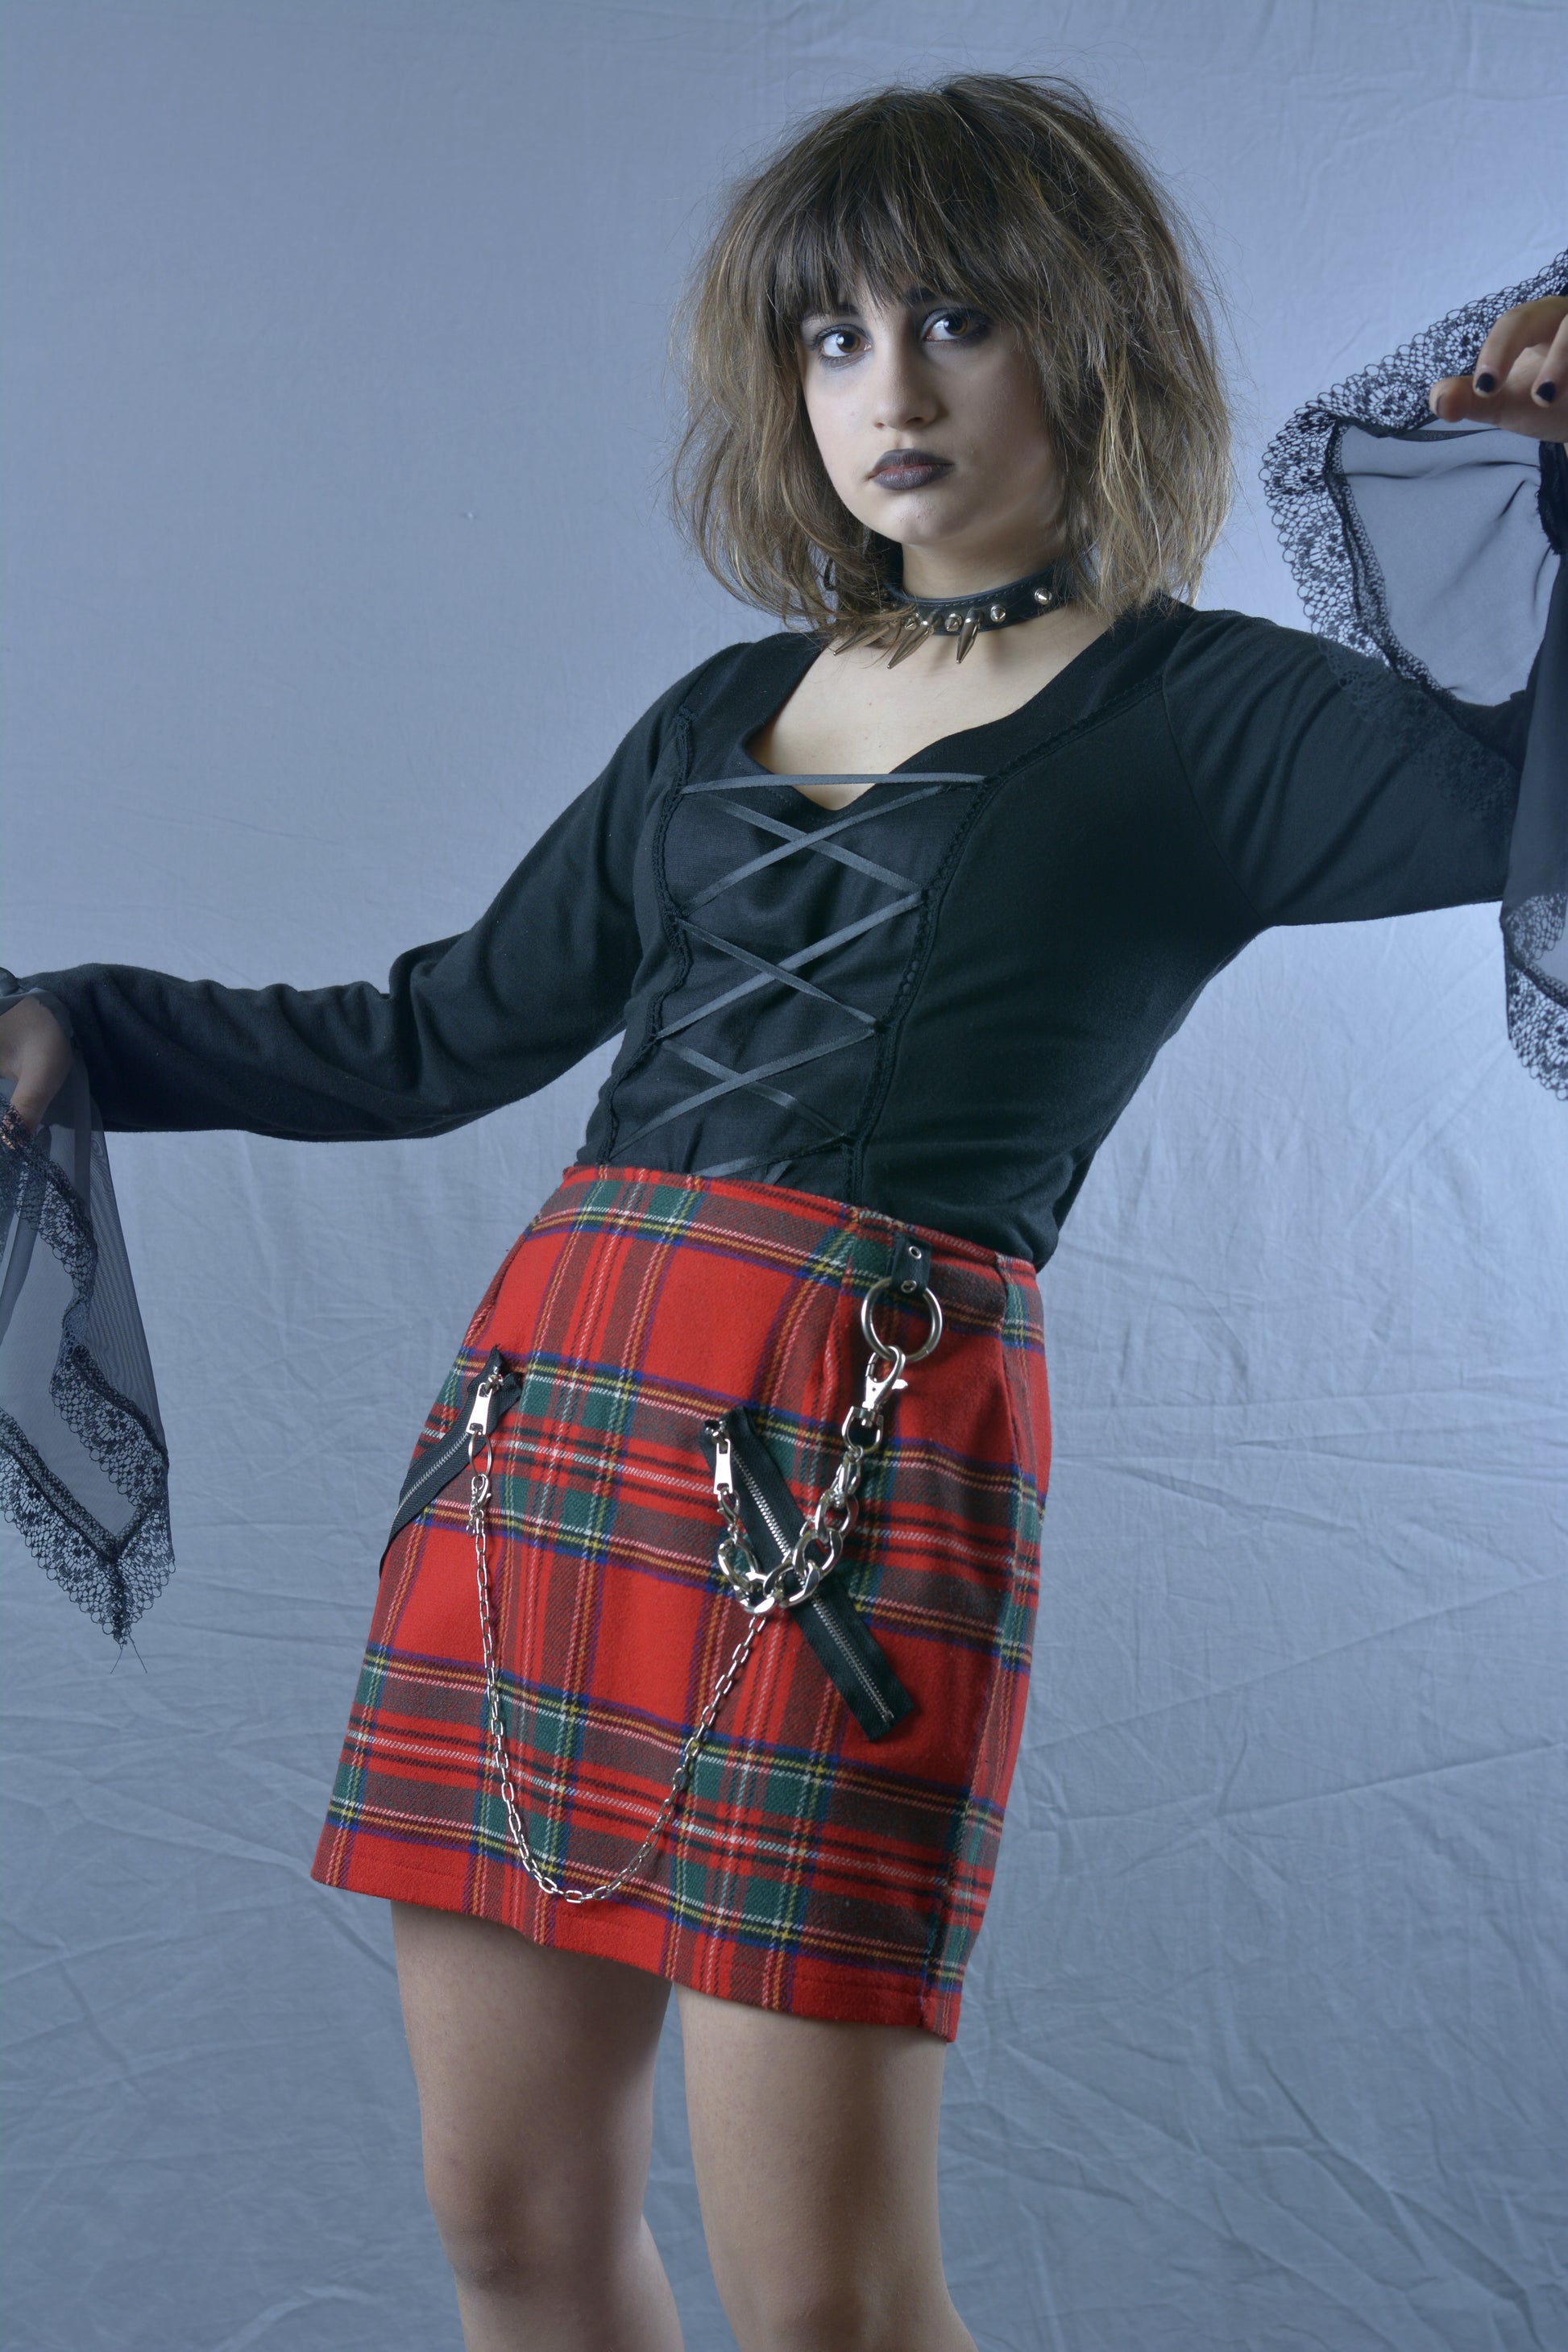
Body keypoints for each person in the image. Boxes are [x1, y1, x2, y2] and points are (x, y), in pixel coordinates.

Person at [2, 71, 1563, 2352]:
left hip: (854, 1475)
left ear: (1090, 339)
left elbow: (1531, 801)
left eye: (955, 320)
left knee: (825, 2300)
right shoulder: (722, 706)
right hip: (538, 1451)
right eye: (834, 337)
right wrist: (72, 1024)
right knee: (505, 2226)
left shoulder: (1217, 716)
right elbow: (429, 1039)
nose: (890, 392)